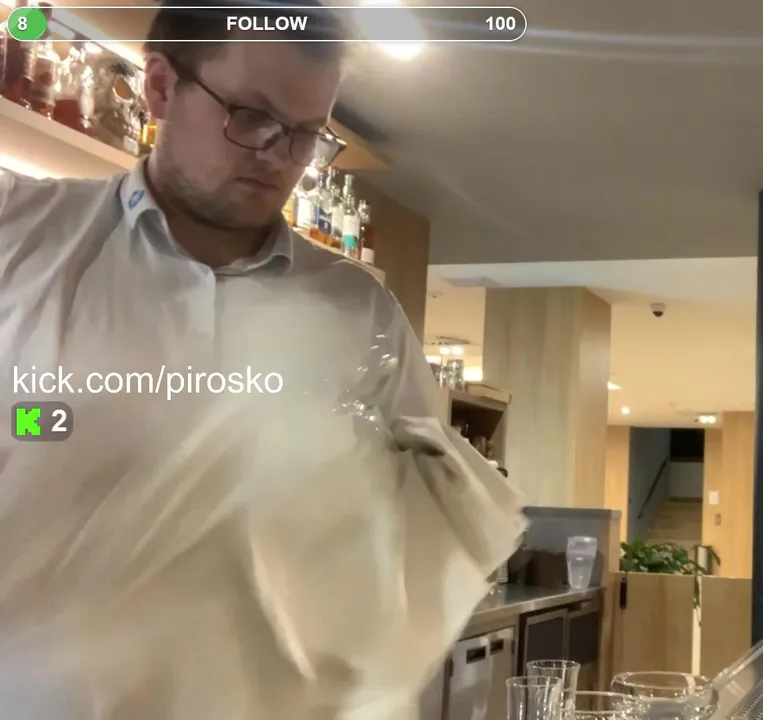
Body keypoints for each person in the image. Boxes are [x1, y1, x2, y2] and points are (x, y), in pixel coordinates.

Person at [0, 2, 523, 717]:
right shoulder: (19, 240)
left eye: (306, 134)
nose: (279, 155)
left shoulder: (361, 313)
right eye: (251, 117)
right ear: (160, 87)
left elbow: (430, 535)